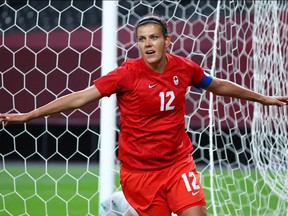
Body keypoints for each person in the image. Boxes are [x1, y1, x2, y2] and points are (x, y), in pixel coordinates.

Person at [1, 14, 288, 216]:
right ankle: (121, 207)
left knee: (197, 213)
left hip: (177, 164)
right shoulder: (127, 74)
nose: (147, 44)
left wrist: (262, 98)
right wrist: (29, 115)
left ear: (167, 40)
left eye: (153, 37)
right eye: (141, 39)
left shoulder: (184, 68)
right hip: (140, 173)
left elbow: (219, 85)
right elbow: (79, 98)